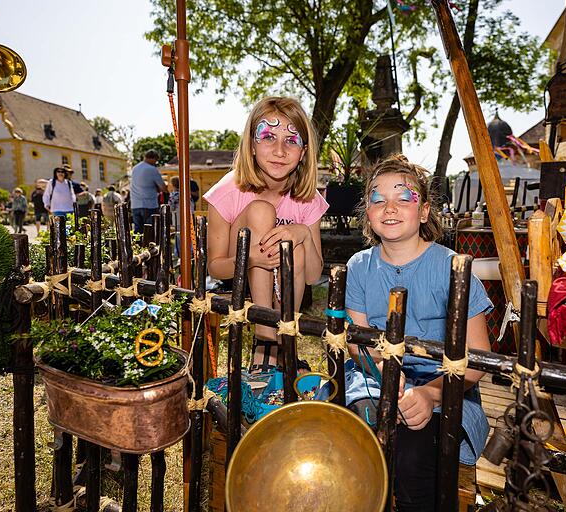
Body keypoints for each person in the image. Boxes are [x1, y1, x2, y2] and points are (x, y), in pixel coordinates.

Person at [343, 155, 492, 511]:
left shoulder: (452, 268)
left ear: (424, 211)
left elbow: (478, 359)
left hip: (444, 385)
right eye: (377, 199)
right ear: (368, 213)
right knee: (353, 443)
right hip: (373, 377)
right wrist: (385, 377)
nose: (389, 206)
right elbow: (357, 343)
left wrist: (429, 395)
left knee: (412, 461)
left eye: (403, 197)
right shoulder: (358, 268)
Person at [203, 96, 328, 371]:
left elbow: (312, 276)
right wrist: (251, 258)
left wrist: (303, 233)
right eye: (268, 136)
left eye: (291, 141)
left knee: (290, 239)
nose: (280, 151)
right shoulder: (229, 191)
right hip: (241, 270)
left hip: (289, 293)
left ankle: (285, 337)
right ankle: (266, 339)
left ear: (304, 152)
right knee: (260, 212)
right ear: (251, 144)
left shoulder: (308, 199)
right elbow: (215, 267)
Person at [130, 149, 167, 233]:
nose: (155, 163)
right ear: (153, 158)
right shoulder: (151, 169)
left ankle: (138, 246)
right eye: (156, 161)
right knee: (150, 231)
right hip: (149, 204)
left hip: (135, 204)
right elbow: (163, 188)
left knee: (138, 231)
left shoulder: (135, 168)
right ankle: (148, 246)